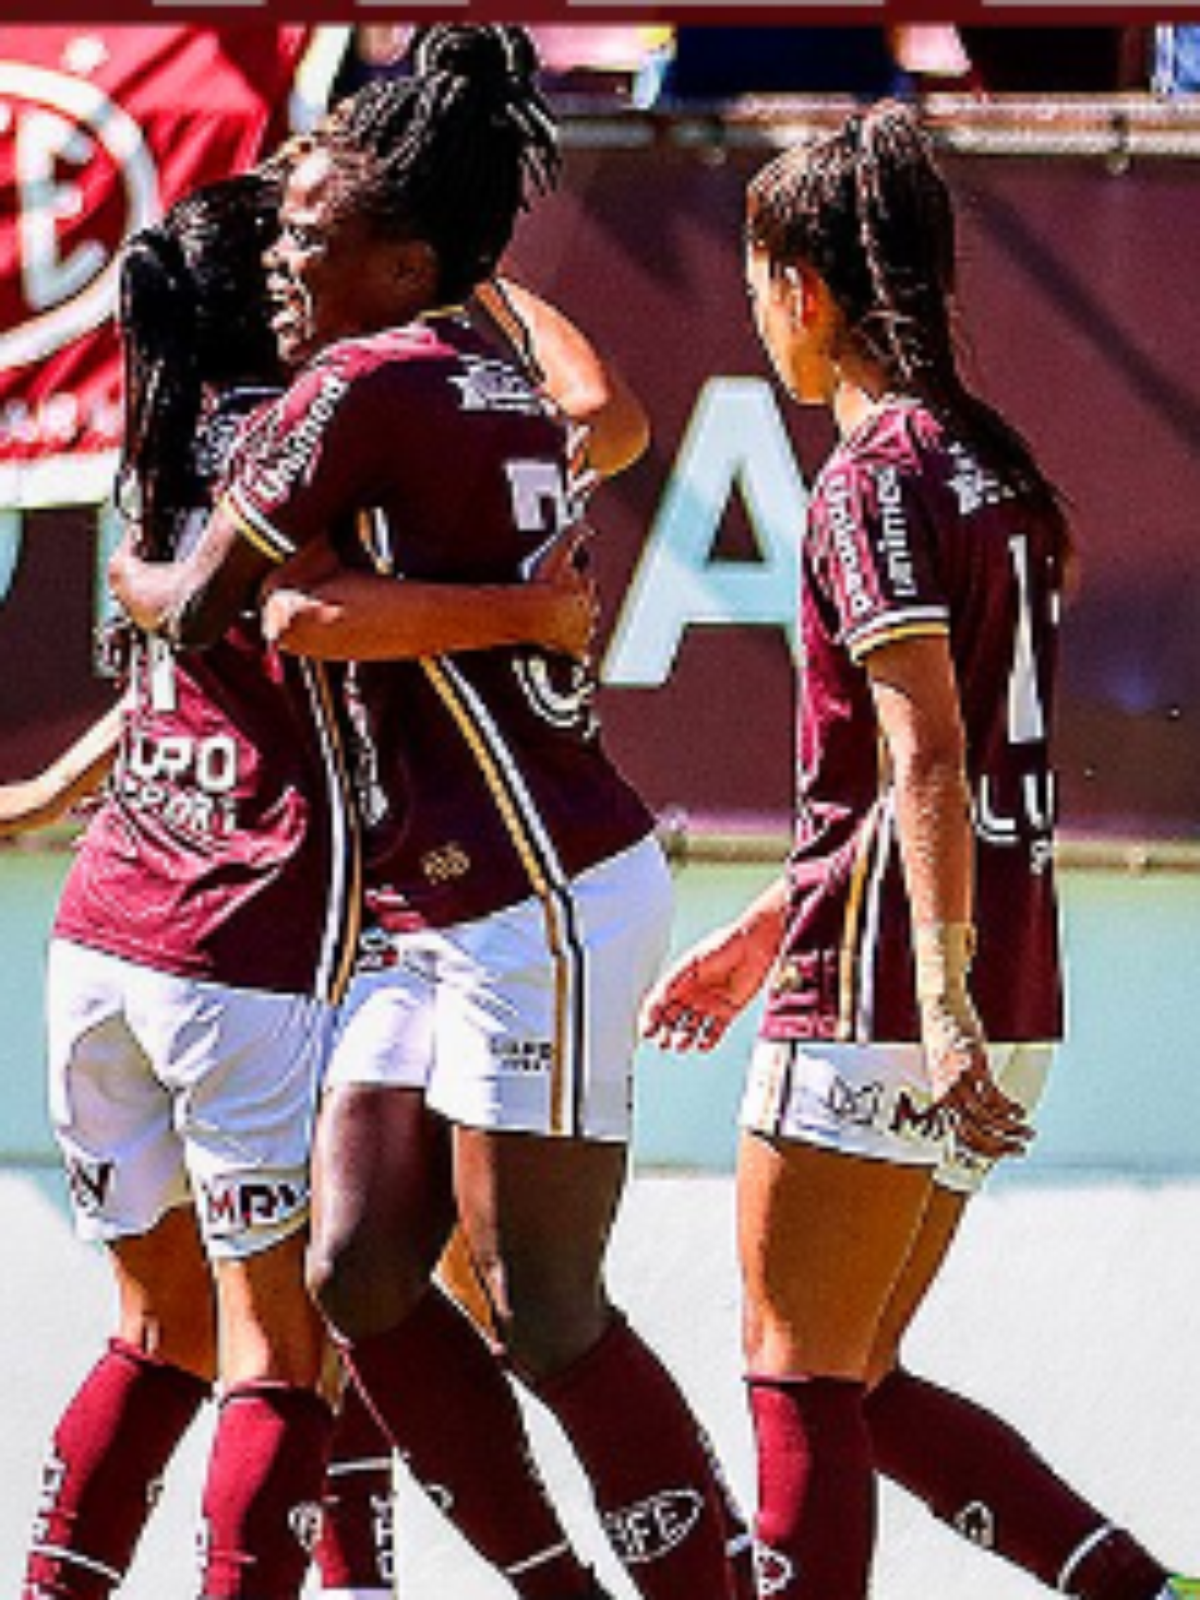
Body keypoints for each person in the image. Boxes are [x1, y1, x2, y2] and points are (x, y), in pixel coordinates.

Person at [110, 25, 752, 1600]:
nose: (277, 255)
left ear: (406, 264)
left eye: (311, 232)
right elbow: (348, 601)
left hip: (538, 890)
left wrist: (135, 561)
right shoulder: (476, 369)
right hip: (439, 890)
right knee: (357, 1274)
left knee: (543, 1308)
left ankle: (711, 1584)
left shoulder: (368, 382)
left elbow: (211, 611)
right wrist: (471, 615)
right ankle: (560, 1584)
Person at [641, 102, 1198, 1600]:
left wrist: (926, 999)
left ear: (803, 290)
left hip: (903, 995)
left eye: (762, 286)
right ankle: (1134, 1588)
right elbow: (928, 774)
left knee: (795, 1369)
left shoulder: (869, 479)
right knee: (859, 1369)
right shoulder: (996, 472)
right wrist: (780, 922)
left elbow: (929, 753)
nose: (762, 320)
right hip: (1005, 976)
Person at [26, 165, 595, 1600]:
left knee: (164, 1333)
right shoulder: (309, 450)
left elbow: (198, 658)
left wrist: (49, 788)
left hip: (101, 942)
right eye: (281, 247)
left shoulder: (157, 449)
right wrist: (462, 273)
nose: (299, 263)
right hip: (248, 946)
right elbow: (601, 424)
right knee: (287, 1347)